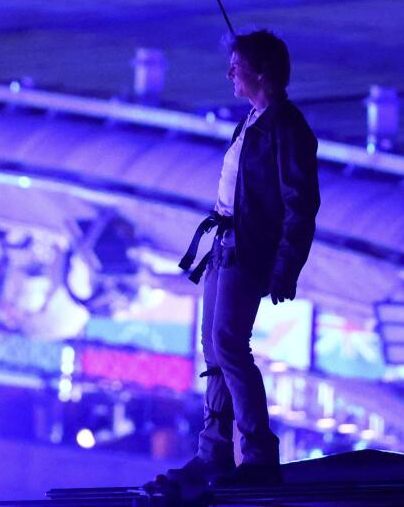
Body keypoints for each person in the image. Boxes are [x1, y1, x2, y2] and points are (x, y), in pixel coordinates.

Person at [161, 30, 320, 490]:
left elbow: (300, 204)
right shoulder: (251, 120)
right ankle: (213, 452)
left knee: (229, 345)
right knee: (214, 349)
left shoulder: (286, 128)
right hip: (225, 246)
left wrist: (286, 266)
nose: (229, 73)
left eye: (237, 65)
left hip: (248, 250)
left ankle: (257, 455)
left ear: (262, 72)